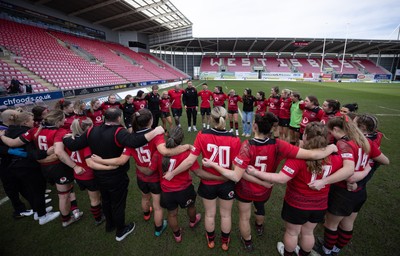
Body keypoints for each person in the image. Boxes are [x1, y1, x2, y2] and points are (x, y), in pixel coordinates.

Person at [202, 114, 338, 252]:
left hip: (246, 189)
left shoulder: (247, 146)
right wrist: (330, 148)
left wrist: (213, 165)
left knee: (244, 216)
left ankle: (248, 241)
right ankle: (259, 226)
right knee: (260, 206)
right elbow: (312, 154)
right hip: (265, 188)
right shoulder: (279, 145)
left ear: (254, 126)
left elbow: (237, 175)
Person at [245, 122, 351, 256]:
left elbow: (281, 178)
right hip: (319, 203)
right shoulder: (335, 157)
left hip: (297, 204)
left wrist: (256, 173)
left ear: (305, 136)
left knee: (292, 232)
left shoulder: (298, 158)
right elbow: (347, 171)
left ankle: (288, 253)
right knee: (308, 233)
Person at [62, 108, 165, 242]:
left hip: (99, 175)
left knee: (106, 200)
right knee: (118, 204)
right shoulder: (118, 131)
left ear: (104, 118)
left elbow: (74, 144)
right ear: (118, 118)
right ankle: (121, 230)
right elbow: (134, 141)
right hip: (116, 174)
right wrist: (155, 131)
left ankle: (110, 225)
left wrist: (65, 138)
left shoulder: (91, 130)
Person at [90, 109, 191, 237]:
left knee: (144, 197)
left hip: (140, 176)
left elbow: (121, 160)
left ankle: (146, 215)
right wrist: (186, 147)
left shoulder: (129, 138)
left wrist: (101, 160)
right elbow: (165, 152)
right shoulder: (155, 135)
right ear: (151, 120)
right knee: (157, 206)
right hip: (154, 177)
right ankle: (158, 228)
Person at [164, 106, 241, 251]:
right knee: (226, 215)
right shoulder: (235, 139)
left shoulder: (202, 134)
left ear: (211, 119)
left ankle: (211, 240)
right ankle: (225, 242)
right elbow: (237, 166)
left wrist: (172, 173)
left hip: (208, 183)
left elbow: (189, 161)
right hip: (226, 182)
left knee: (210, 214)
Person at [312, 116, 389, 256]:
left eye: (330, 132)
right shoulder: (366, 141)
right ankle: (336, 249)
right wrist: (366, 169)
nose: (330, 135)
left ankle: (326, 250)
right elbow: (385, 160)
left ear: (336, 129)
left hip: (343, 192)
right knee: (347, 224)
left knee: (331, 224)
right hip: (359, 192)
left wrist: (324, 181)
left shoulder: (344, 143)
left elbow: (349, 173)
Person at [0, 110, 85, 227]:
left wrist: (2, 136)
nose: (65, 120)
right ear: (58, 121)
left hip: (44, 168)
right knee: (63, 194)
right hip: (57, 167)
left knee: (68, 188)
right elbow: (59, 152)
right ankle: (66, 220)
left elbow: (12, 143)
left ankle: (75, 210)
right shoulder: (59, 131)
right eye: (63, 119)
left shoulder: (34, 130)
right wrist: (75, 166)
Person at [1, 111, 60, 224]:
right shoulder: (25, 132)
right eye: (31, 120)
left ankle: (38, 212)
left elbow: (11, 144)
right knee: (38, 190)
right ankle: (43, 216)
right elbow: (31, 152)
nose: (34, 122)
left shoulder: (8, 131)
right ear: (24, 122)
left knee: (31, 190)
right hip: (28, 166)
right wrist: (46, 153)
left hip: (17, 166)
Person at [149, 127, 203, 242]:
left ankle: (177, 235)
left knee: (172, 214)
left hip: (167, 191)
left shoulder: (158, 152)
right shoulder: (187, 153)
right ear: (181, 139)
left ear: (167, 136)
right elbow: (197, 171)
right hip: (185, 189)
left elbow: (151, 169)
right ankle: (193, 222)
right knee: (191, 206)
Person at [65, 118, 115, 226]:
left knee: (92, 196)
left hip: (77, 175)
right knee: (95, 198)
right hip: (88, 175)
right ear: (87, 129)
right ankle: (98, 218)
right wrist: (109, 167)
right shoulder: (86, 144)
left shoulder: (68, 140)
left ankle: (99, 212)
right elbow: (90, 163)